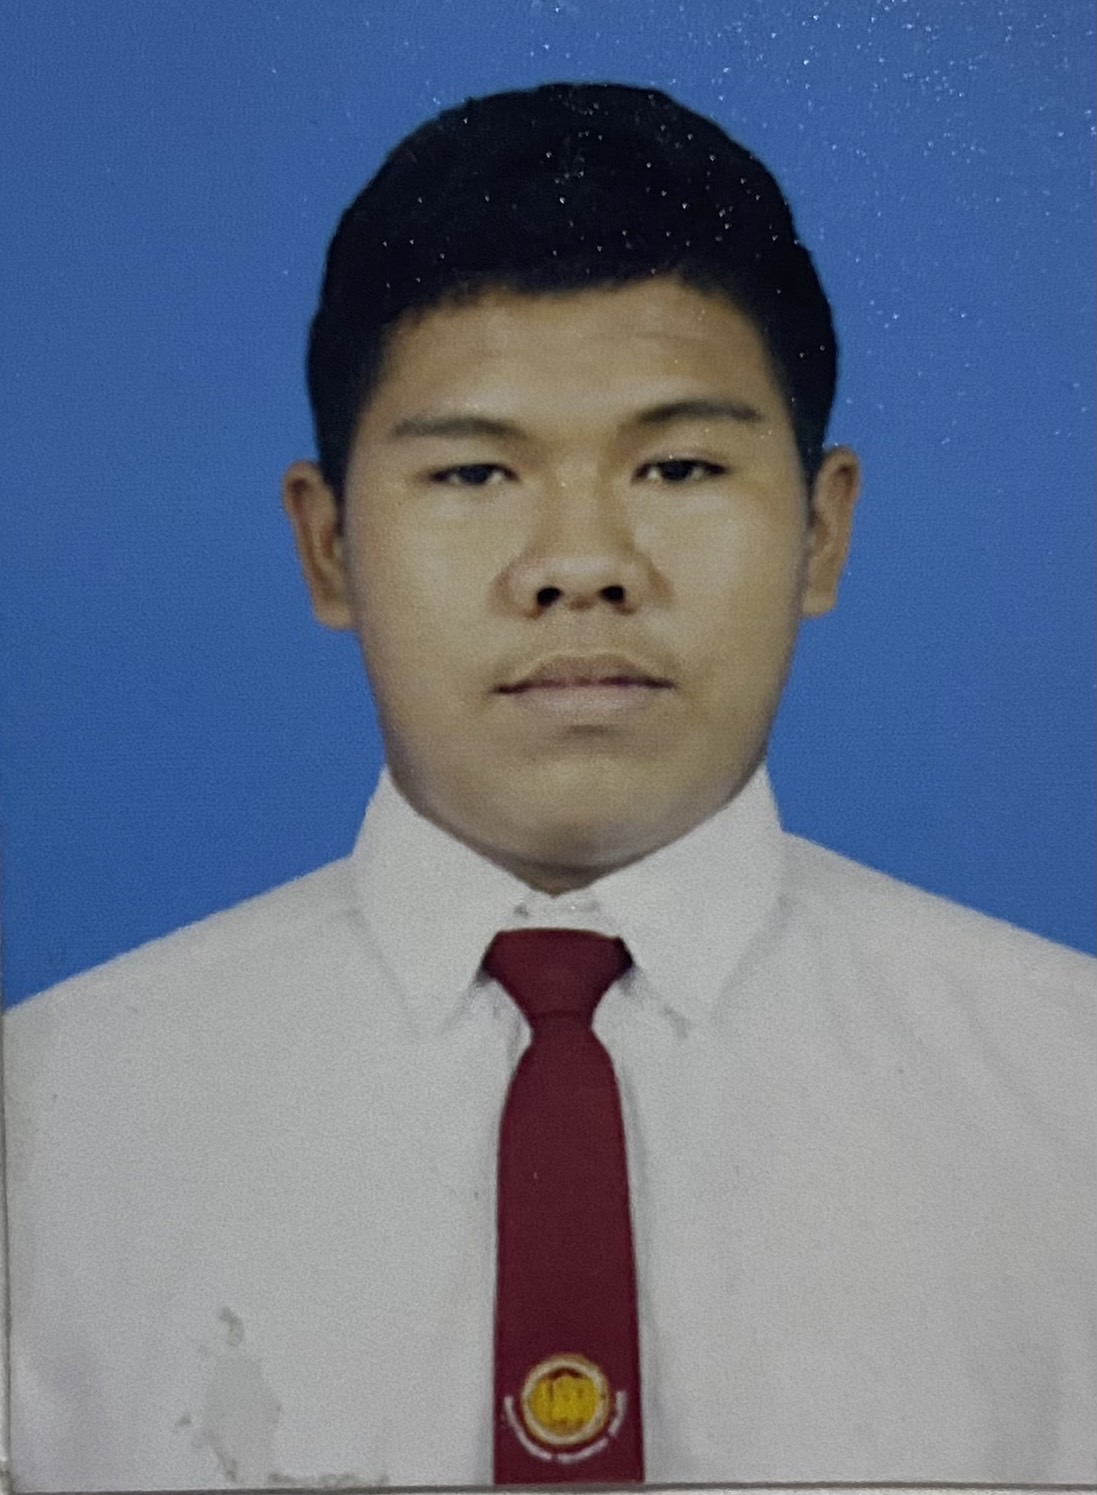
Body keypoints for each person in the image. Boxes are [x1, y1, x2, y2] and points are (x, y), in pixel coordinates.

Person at [4, 81, 1095, 1490]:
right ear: (328, 548)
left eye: (680, 465)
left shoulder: (1068, 1099)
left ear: (822, 533)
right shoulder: (50, 1126)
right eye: (472, 474)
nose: (581, 563)